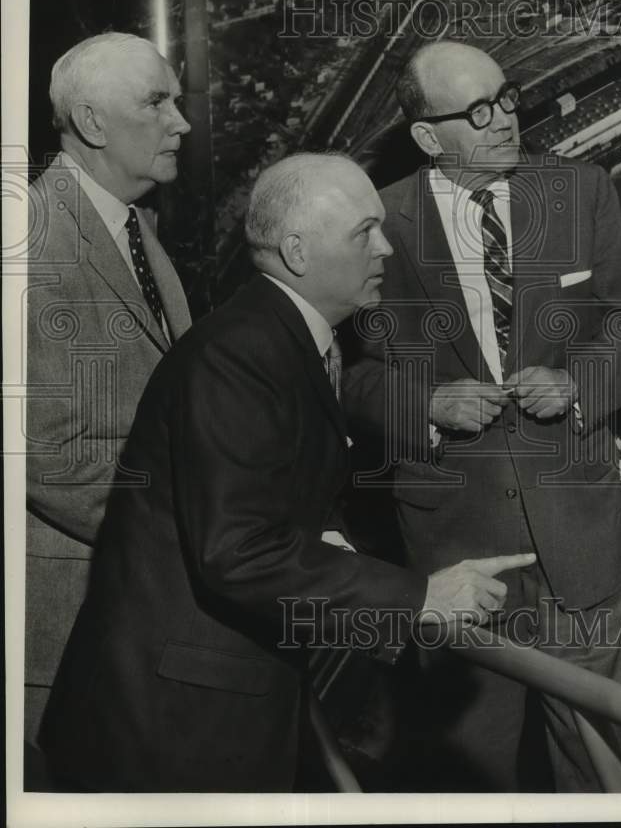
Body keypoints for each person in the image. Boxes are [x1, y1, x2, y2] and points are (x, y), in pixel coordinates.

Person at [40, 153, 535, 791]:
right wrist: (420, 597)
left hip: (201, 704)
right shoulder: (239, 357)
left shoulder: (281, 340)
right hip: (172, 726)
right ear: (298, 252)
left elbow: (280, 504)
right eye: (364, 232)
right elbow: (239, 552)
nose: (385, 248)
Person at [342, 41, 621, 791]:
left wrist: (578, 383)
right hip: (456, 561)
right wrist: (425, 403)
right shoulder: (379, 223)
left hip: (577, 549)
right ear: (428, 137)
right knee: (468, 777)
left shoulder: (582, 190)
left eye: (507, 98)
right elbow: (346, 377)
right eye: (478, 111)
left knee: (602, 775)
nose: (505, 120)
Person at [25, 32, 193, 767]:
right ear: (92, 123)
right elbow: (47, 456)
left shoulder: (132, 225)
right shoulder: (32, 240)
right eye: (157, 102)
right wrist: (203, 529)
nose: (181, 122)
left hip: (129, 609)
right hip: (66, 624)